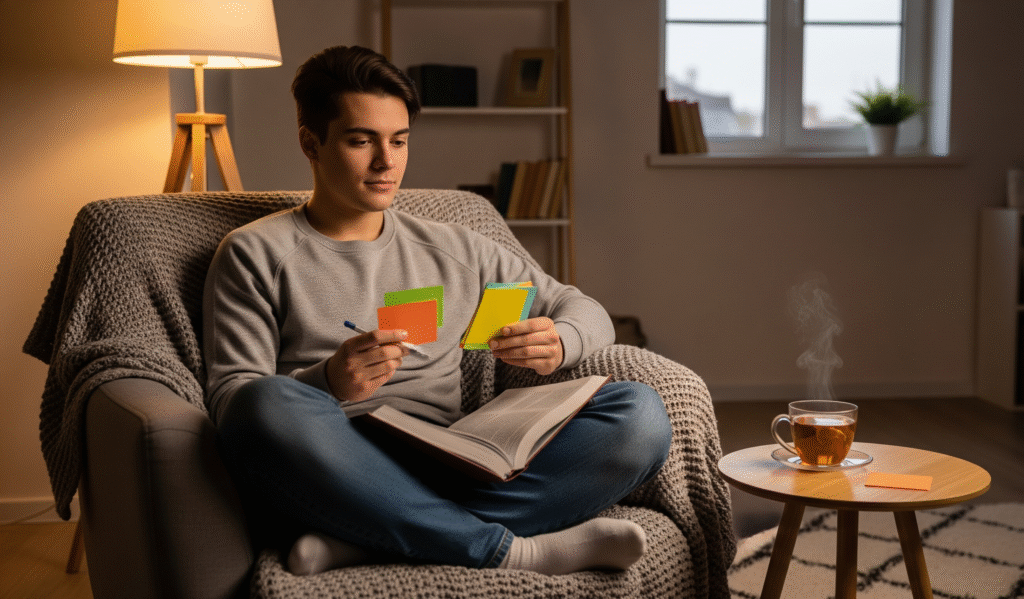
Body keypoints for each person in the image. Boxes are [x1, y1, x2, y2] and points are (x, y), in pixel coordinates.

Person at [203, 45, 672, 576]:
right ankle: (512, 551)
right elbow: (231, 399)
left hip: (456, 459)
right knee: (262, 404)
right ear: (311, 143)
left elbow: (583, 308)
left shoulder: (456, 247)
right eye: (361, 141)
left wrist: (563, 339)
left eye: (399, 141)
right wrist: (329, 380)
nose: (387, 162)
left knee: (640, 414)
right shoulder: (254, 252)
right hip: (339, 465)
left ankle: (371, 539)